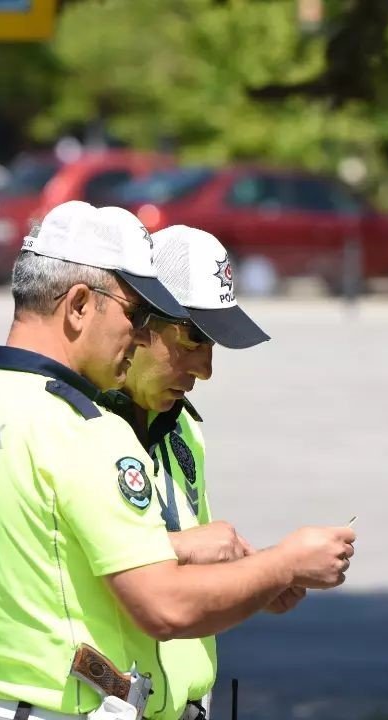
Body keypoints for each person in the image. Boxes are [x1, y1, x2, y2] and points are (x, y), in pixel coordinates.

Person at [0, 200, 356, 720]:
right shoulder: (80, 428)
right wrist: (281, 562)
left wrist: (238, 573)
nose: (135, 333)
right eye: (138, 314)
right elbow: (162, 604)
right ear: (79, 305)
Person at [98, 225, 290, 720]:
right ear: (137, 321)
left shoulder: (185, 432)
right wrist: (185, 551)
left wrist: (253, 577)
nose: (205, 369)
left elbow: (191, 561)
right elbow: (56, 568)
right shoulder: (77, 426)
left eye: (213, 345)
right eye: (192, 339)